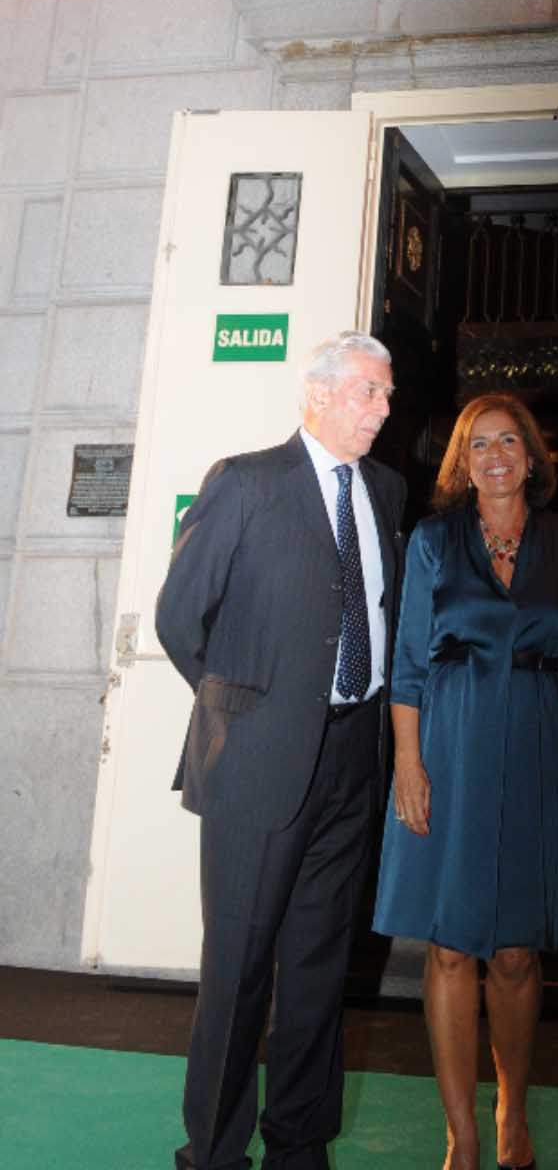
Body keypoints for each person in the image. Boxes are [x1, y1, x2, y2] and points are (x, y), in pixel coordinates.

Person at [154, 329, 405, 1170]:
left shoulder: (388, 491)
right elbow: (180, 618)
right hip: (258, 764)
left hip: (354, 759)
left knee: (319, 971)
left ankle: (300, 1146)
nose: (384, 408)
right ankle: (215, 1153)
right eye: (369, 390)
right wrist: (247, 710)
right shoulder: (247, 481)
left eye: (388, 393)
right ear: (319, 394)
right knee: (237, 972)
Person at [374, 393, 558, 1170]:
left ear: (532, 457)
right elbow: (408, 663)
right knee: (449, 948)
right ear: (462, 462)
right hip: (449, 742)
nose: (496, 456)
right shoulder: (434, 541)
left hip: (537, 745)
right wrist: (408, 764)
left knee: (515, 953)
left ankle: (511, 1108)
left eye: (508, 441)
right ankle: (463, 1134)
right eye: (479, 444)